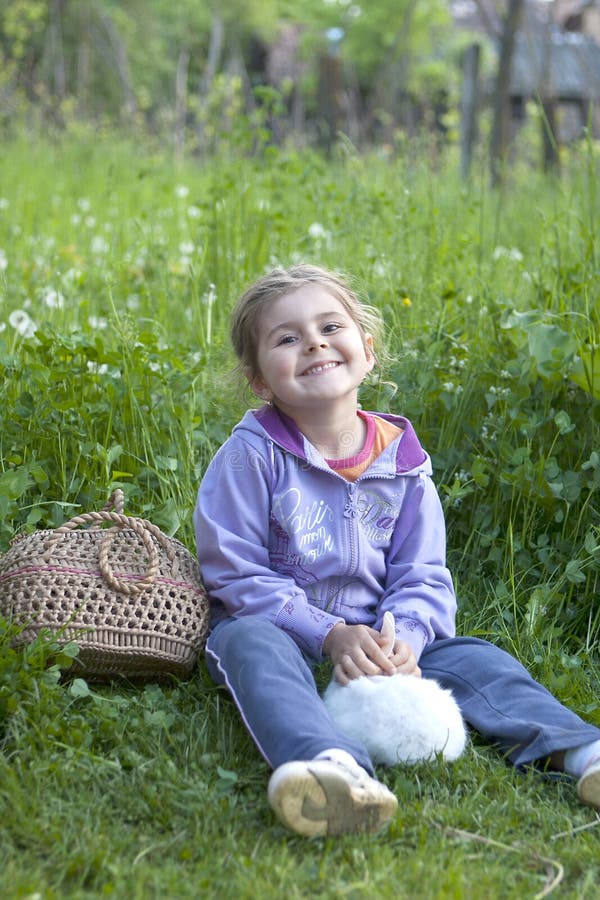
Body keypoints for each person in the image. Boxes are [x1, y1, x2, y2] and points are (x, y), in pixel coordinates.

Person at [194, 263, 600, 837]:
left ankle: (581, 753)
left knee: (475, 658)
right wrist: (328, 634)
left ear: (367, 348)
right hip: (279, 627)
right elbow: (233, 572)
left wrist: (402, 641)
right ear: (260, 380)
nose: (314, 342)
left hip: (380, 635)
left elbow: (424, 575)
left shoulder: (404, 465)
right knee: (247, 644)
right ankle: (329, 767)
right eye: (287, 338)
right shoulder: (251, 455)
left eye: (331, 326)